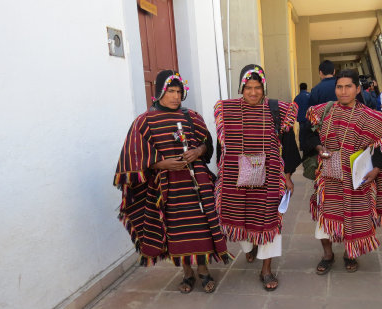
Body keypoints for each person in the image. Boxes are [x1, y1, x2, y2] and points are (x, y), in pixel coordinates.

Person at [114, 70, 232, 294]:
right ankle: (187, 273)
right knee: (177, 230)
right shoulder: (144, 122)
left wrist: (197, 151)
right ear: (159, 92)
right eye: (171, 91)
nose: (176, 96)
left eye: (179, 91)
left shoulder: (192, 117)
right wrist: (161, 164)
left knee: (201, 227)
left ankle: (204, 270)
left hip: (197, 183)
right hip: (168, 188)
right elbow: (135, 156)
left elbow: (207, 143)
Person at [300, 69, 382, 275]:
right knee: (326, 219)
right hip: (329, 177)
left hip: (357, 178)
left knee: (356, 217)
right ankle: (327, 255)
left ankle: (350, 253)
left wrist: (377, 168)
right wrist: (318, 147)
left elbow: (381, 143)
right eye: (339, 87)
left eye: (348, 87)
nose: (343, 91)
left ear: (357, 88)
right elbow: (308, 134)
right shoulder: (323, 111)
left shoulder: (369, 116)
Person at [214, 64, 301, 291]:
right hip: (236, 179)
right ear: (241, 88)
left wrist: (288, 175)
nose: (253, 92)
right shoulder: (227, 111)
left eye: (257, 88)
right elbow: (220, 146)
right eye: (248, 88)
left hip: (270, 179)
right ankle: (250, 246)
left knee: (270, 222)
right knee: (239, 218)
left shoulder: (277, 110)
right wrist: (220, 175)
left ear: (264, 88)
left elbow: (290, 145)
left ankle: (267, 269)